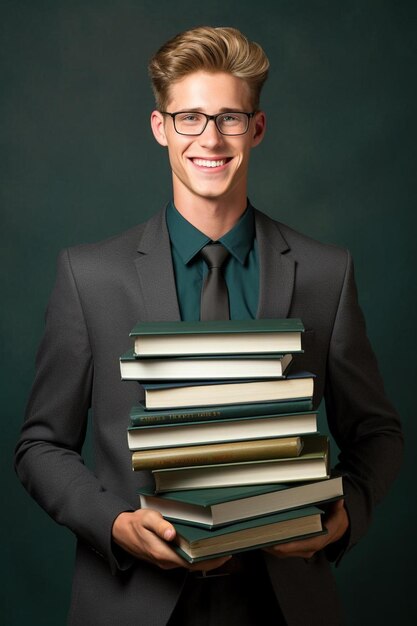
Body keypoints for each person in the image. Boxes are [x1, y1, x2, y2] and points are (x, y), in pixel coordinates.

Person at [15, 26, 403, 626]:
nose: (211, 139)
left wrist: (345, 511)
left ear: (257, 128)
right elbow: (41, 445)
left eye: (229, 118)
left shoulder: (327, 273)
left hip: (283, 604)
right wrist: (115, 524)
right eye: (190, 118)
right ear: (160, 128)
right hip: (133, 602)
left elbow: (378, 431)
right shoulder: (88, 276)